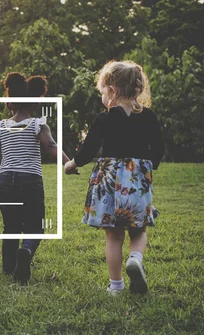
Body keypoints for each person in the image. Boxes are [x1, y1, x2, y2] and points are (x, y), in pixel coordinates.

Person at [64, 60, 164, 294]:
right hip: (137, 182)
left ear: (113, 90)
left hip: (109, 183)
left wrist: (71, 164)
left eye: (103, 91)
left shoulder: (104, 118)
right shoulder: (148, 116)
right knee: (138, 230)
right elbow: (158, 147)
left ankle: (116, 286)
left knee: (113, 236)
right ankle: (136, 258)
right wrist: (148, 166)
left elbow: (88, 150)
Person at [0, 73, 76, 284]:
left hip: (5, 180)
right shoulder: (37, 124)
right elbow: (51, 146)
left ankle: (8, 268)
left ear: (10, 101)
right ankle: (25, 250)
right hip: (30, 180)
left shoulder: (0, 126)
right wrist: (68, 163)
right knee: (36, 226)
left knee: (10, 226)